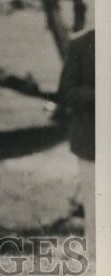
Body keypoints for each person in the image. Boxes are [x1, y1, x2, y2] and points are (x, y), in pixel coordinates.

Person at [57, 27, 95, 258]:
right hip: (91, 142)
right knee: (95, 206)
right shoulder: (81, 43)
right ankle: (96, 263)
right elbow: (66, 92)